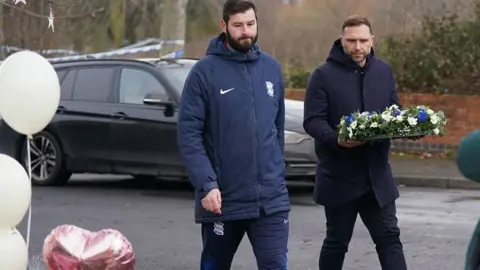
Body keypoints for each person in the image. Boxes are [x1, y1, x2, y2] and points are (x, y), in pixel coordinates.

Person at [177, 0, 290, 269]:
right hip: (223, 200)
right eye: (238, 25)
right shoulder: (204, 73)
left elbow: (277, 128)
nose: (245, 31)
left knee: (276, 264)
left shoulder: (271, 69)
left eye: (250, 24)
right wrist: (206, 184)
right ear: (224, 25)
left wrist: (275, 172)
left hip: (271, 201)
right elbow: (189, 134)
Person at [303, 15, 408, 270]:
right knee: (337, 242)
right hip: (340, 177)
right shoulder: (322, 75)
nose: (357, 47)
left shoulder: (383, 71)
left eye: (363, 40)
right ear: (341, 40)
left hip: (377, 178)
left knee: (390, 239)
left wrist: (406, 124)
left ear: (372, 40)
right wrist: (337, 139)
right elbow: (313, 121)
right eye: (351, 41)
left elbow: (393, 109)